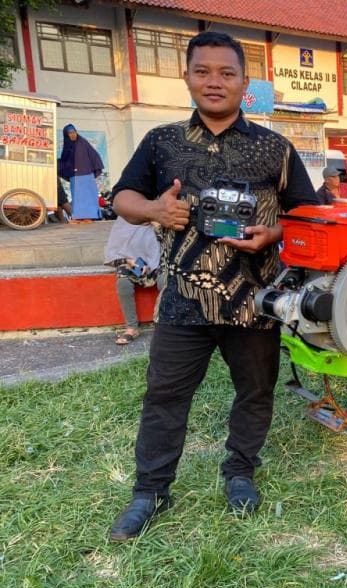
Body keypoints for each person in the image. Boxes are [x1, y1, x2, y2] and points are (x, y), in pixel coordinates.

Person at [107, 31, 319, 542]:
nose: (214, 82)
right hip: (182, 298)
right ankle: (150, 492)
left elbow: (309, 214)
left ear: (245, 82)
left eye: (226, 73)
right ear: (187, 77)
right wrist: (157, 208)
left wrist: (275, 232)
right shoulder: (162, 141)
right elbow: (122, 198)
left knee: (255, 391)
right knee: (165, 395)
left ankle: (240, 472)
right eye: (203, 71)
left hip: (255, 302)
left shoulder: (275, 146)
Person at [104, 217, 162, 345]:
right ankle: (132, 328)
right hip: (133, 264)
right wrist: (129, 261)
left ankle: (163, 325)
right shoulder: (125, 219)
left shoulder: (161, 216)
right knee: (123, 282)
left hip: (160, 264)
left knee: (166, 281)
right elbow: (114, 255)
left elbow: (172, 246)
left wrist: (157, 226)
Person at [58, 124, 103, 221]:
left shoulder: (82, 143)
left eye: (74, 132)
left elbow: (94, 155)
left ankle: (88, 217)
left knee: (87, 196)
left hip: (86, 174)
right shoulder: (67, 145)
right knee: (77, 197)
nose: (73, 135)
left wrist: (93, 169)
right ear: (66, 135)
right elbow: (65, 160)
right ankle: (79, 217)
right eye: (70, 133)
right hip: (75, 176)